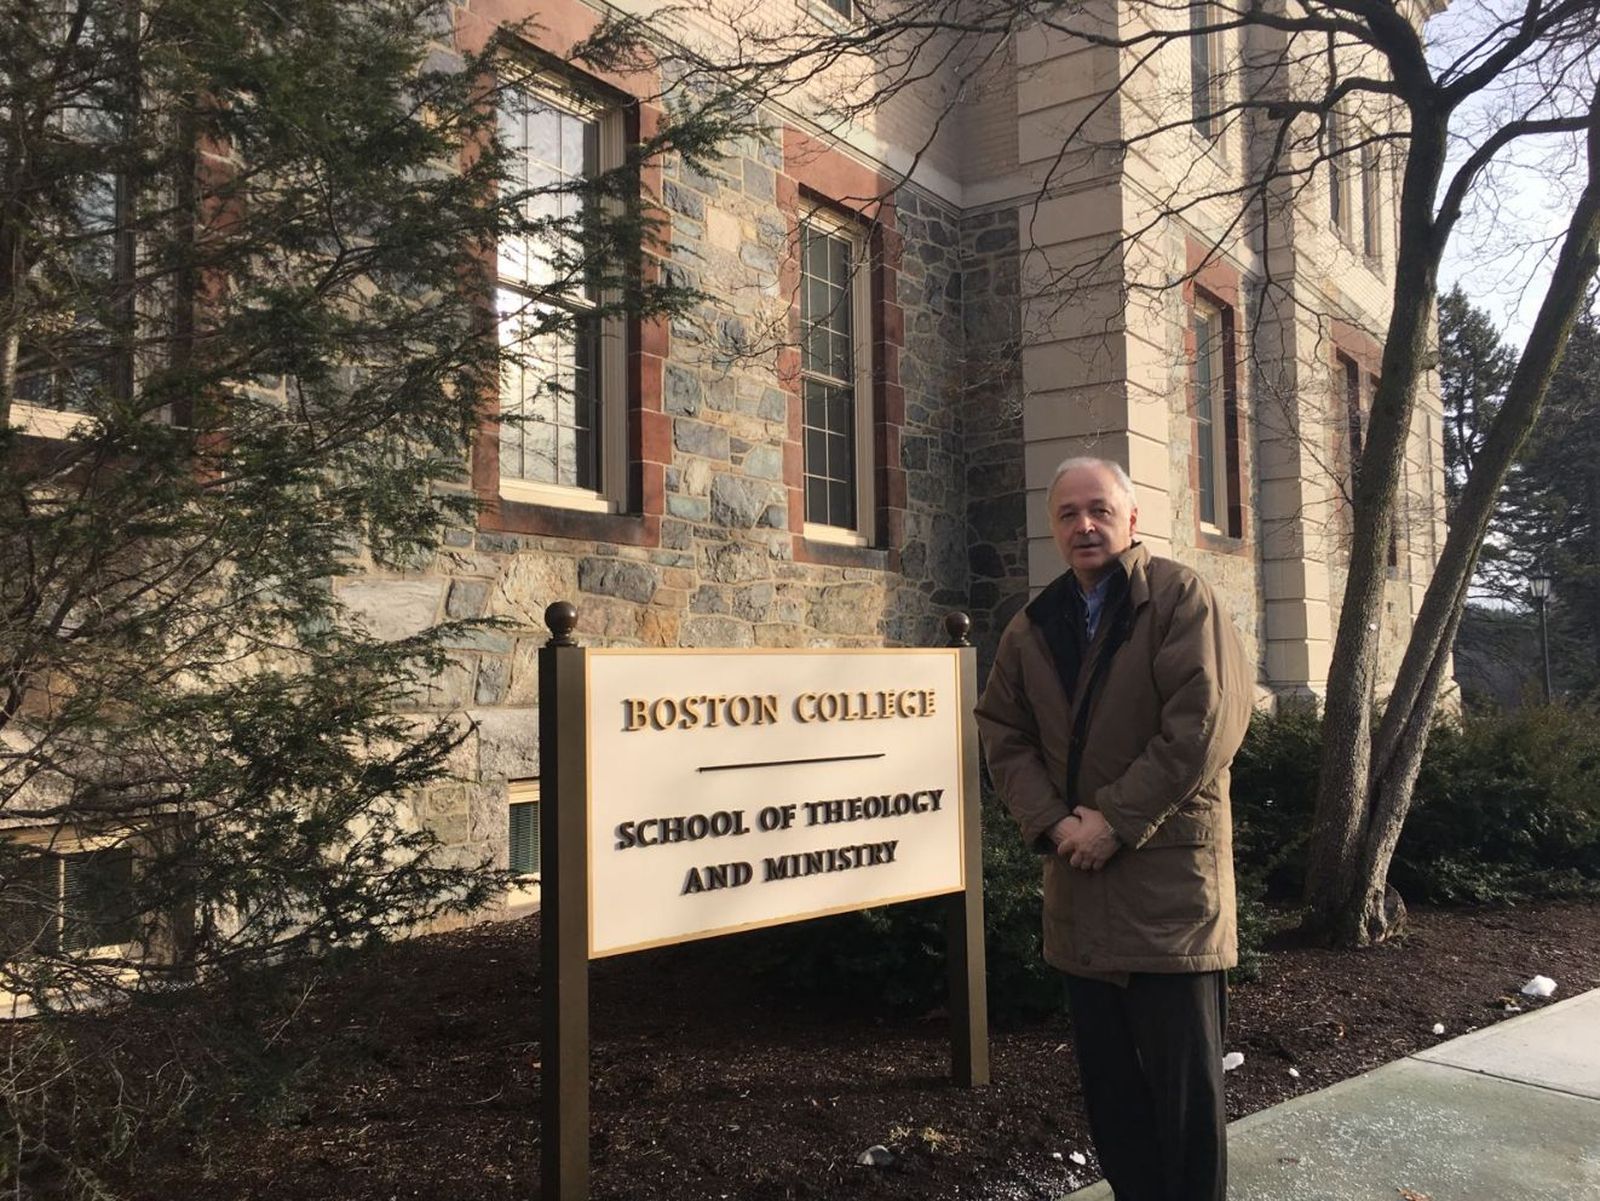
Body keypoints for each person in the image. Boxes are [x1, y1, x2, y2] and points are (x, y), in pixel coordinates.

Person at [975, 456, 1252, 1201]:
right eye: (1067, 513)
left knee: (1187, 1108)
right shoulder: (1034, 627)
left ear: (1133, 519)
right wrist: (1054, 822)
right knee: (1113, 1103)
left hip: (1168, 902)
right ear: (1054, 529)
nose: (1084, 524)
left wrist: (1116, 819)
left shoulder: (1178, 597)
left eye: (1098, 509)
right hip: (1080, 895)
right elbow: (1002, 728)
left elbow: (1206, 723)